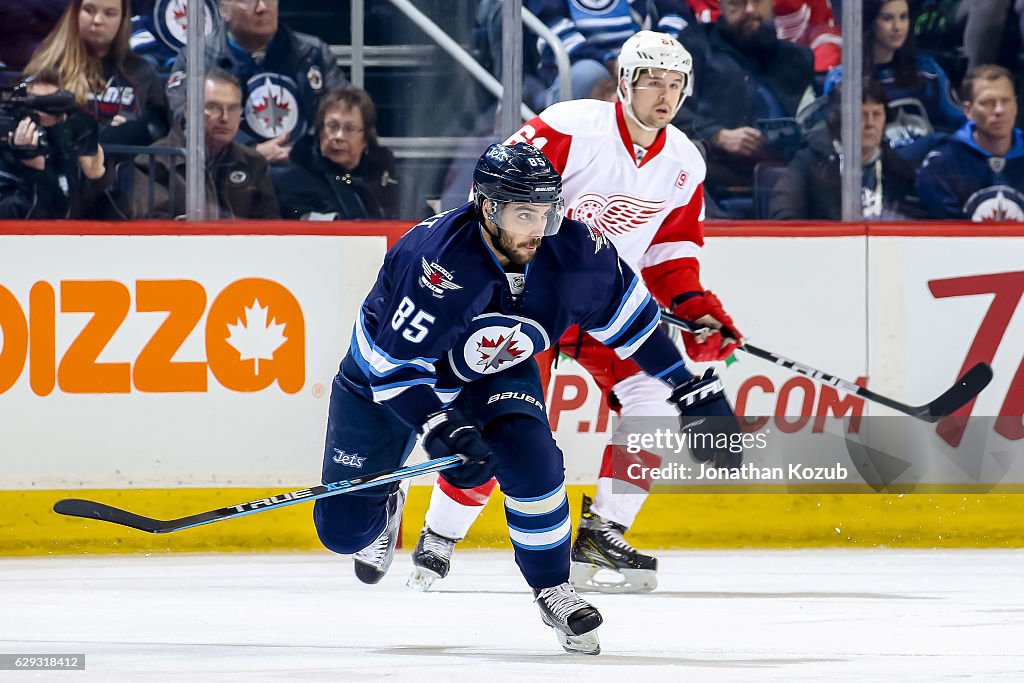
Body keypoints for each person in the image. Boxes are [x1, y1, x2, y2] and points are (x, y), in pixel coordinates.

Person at [312, 142, 739, 655]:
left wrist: (688, 386)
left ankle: (553, 588)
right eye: (524, 213)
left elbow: (633, 325)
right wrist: (440, 429)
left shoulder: (576, 250)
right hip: (381, 385)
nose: (538, 228)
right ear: (487, 208)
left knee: (534, 463)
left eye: (547, 211)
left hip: (490, 373)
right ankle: (382, 511)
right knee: (341, 533)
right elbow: (393, 371)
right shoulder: (436, 264)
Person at [410, 31, 742, 596]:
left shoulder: (685, 162)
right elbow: (490, 193)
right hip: (522, 298)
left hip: (600, 303)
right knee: (504, 424)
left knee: (656, 395)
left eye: (674, 84)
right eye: (651, 82)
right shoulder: (569, 127)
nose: (663, 95)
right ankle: (439, 536)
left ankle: (602, 532)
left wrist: (694, 308)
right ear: (624, 83)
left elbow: (669, 254)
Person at [675, 0, 816, 217]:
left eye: (758, 1)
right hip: (713, 178)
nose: (750, 9)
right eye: (737, 2)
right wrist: (717, 135)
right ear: (720, 5)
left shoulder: (797, 59)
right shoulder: (695, 45)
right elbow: (673, 110)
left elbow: (816, 125)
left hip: (783, 179)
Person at [166, 0, 348, 166]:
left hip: (306, 170)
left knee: (347, 180)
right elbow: (183, 119)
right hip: (228, 173)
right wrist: (249, 153)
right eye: (249, 1)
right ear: (224, 10)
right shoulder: (197, 57)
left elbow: (347, 108)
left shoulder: (311, 53)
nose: (262, 8)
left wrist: (307, 152)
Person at [823, 0, 965, 161]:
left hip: (932, 166)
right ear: (869, 21)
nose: (898, 27)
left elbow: (960, 121)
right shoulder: (844, 78)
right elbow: (836, 137)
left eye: (903, 17)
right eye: (887, 18)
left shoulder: (927, 70)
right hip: (879, 169)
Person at [132, 67, 279, 219]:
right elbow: (152, 231)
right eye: (213, 107)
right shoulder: (152, 162)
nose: (225, 117)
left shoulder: (253, 163)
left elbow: (271, 229)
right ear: (188, 111)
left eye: (233, 108)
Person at [25, 0, 171, 147]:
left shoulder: (141, 72)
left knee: (133, 130)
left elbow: (159, 129)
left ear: (122, 20)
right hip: (64, 162)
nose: (97, 21)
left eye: (109, 13)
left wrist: (129, 126)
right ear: (75, 13)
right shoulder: (49, 68)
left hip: (124, 163)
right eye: (89, 10)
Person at [770, 77, 918, 220]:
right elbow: (784, 216)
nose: (870, 123)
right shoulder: (809, 162)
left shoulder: (897, 168)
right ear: (839, 120)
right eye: (861, 115)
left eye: (877, 114)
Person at [273, 87, 399, 220]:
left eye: (350, 128)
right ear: (319, 130)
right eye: (332, 126)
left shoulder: (384, 178)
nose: (339, 136)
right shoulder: (294, 180)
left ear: (366, 137)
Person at [917, 64, 1024, 221]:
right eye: (988, 102)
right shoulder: (941, 166)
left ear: (1015, 106)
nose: (999, 110)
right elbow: (942, 237)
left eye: (1006, 101)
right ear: (968, 111)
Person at [0, 69, 109, 219]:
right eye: (51, 113)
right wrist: (33, 170)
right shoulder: (6, 160)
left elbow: (106, 225)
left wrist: (98, 179)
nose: (61, 121)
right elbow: (16, 228)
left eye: (63, 113)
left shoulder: (67, 156)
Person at [687, 0, 843, 72]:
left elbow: (826, 37)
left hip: (784, 77)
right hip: (719, 86)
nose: (749, 9)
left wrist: (806, 73)